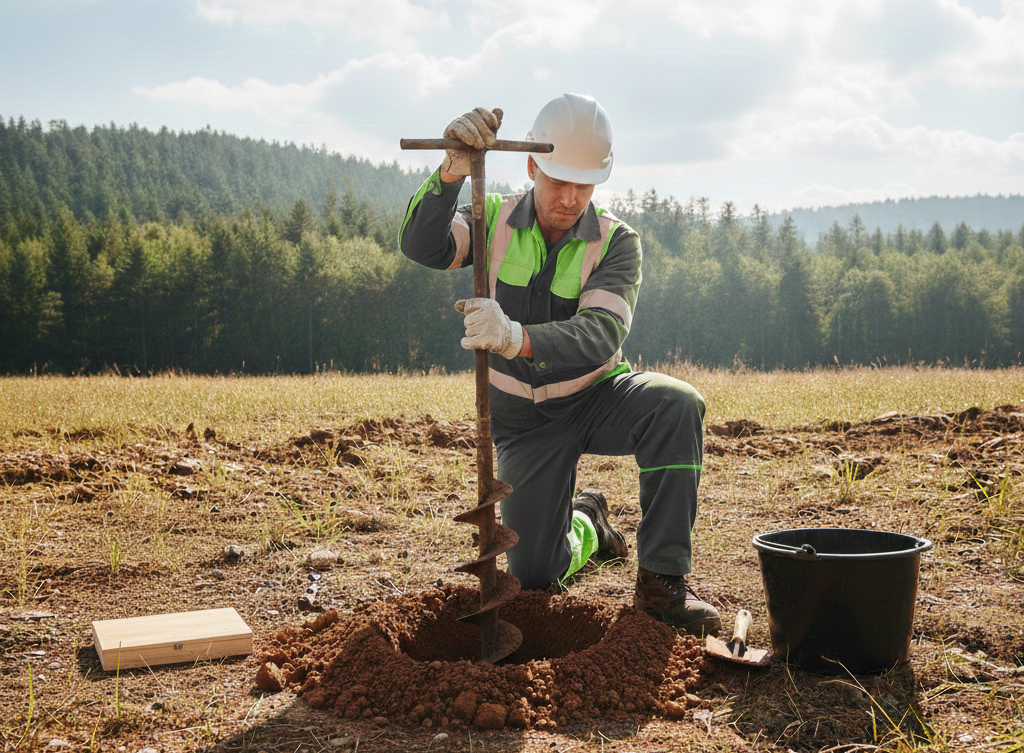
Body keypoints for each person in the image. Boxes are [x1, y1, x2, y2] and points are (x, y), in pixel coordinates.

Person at [399, 94, 721, 637]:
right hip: (523, 424)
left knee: (677, 405)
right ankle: (588, 522)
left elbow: (602, 334)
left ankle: (662, 586)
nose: (571, 199)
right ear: (532, 167)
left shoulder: (617, 242)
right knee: (536, 574)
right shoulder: (492, 216)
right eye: (558, 182)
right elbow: (423, 245)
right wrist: (451, 172)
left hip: (597, 398)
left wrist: (515, 337)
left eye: (584, 185)